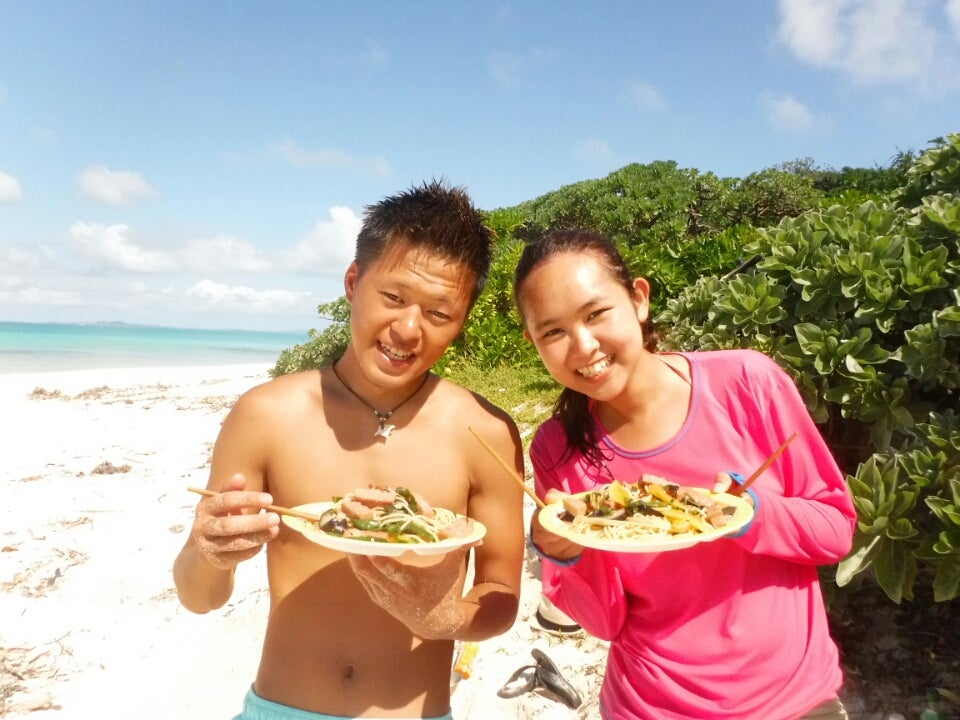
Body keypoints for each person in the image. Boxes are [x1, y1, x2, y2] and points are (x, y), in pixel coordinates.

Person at [173, 181, 526, 720]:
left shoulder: (484, 433)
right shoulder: (265, 415)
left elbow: (501, 592)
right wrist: (209, 550)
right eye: (393, 298)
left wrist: (444, 619)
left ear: (462, 321)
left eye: (439, 313)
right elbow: (199, 597)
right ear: (353, 282)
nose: (407, 329)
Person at [512, 229, 857, 720]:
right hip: (649, 706)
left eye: (596, 314)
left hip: (794, 699)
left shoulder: (746, 383)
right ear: (534, 342)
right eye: (554, 332)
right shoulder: (556, 448)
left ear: (639, 299)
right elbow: (603, 622)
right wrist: (564, 552)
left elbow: (836, 530)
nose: (583, 346)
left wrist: (752, 515)